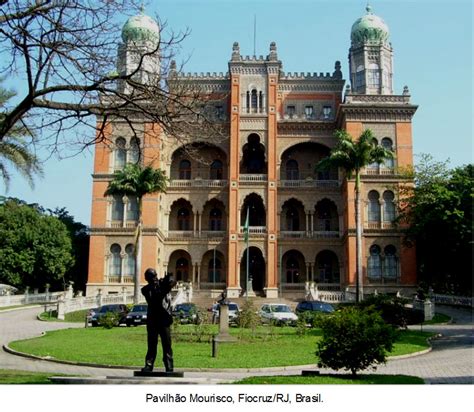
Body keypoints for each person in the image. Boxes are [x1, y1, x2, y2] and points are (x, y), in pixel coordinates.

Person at [141, 268, 176, 372]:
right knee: (151, 344)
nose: (156, 278)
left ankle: (169, 365)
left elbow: (172, 284)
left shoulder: (161, 285)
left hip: (164, 319)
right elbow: (157, 296)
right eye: (153, 277)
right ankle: (149, 364)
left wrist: (168, 280)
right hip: (153, 320)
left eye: (156, 275)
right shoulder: (146, 290)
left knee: (167, 344)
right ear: (147, 279)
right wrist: (162, 285)